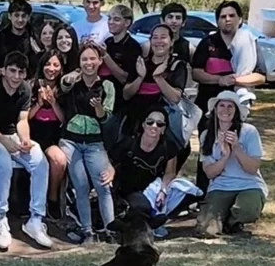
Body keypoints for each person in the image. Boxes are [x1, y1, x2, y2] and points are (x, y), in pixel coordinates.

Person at [0, 51, 53, 250]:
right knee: (4, 165)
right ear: (4, 70)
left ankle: (36, 219)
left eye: (20, 72)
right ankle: (0, 217)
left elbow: (22, 120)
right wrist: (5, 141)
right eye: (12, 71)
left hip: (13, 136)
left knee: (40, 161)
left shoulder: (25, 89)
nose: (16, 76)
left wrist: (26, 140)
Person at [192, 1, 266, 193]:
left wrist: (236, 80)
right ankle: (203, 193)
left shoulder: (249, 43)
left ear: (240, 19)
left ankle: (234, 190)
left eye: (232, 16)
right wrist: (220, 80)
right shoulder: (208, 43)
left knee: (236, 145)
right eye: (223, 16)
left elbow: (260, 76)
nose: (228, 20)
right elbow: (196, 72)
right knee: (208, 147)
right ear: (217, 21)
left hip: (236, 106)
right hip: (209, 106)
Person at [57, 43, 116, 244]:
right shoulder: (73, 81)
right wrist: (70, 77)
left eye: (93, 59)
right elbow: (63, 85)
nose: (89, 63)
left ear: (100, 61)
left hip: (95, 142)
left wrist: (98, 108)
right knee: (80, 187)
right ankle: (88, 232)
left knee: (103, 186)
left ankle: (111, 231)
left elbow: (106, 118)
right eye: (84, 59)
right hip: (71, 140)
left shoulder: (107, 86)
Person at [195, 91, 267, 237]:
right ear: (215, 110)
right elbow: (209, 173)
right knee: (205, 230)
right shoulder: (206, 135)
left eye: (230, 106)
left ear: (236, 111)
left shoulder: (249, 131)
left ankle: (232, 221)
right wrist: (224, 156)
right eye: (221, 105)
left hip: (249, 184)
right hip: (221, 186)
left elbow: (252, 169)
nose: (225, 110)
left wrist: (236, 148)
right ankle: (223, 216)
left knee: (247, 211)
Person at [110, 106, 179, 238]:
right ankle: (146, 225)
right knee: (142, 207)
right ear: (143, 125)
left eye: (159, 124)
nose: (154, 126)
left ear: (163, 129)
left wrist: (163, 190)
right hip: (129, 189)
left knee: (189, 193)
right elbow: (110, 160)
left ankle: (156, 220)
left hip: (154, 188)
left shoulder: (168, 147)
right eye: (150, 122)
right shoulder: (129, 143)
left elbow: (170, 172)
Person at [122, 24, 187, 142]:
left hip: (161, 124)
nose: (159, 41)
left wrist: (158, 78)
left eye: (163, 37)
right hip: (135, 121)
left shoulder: (176, 66)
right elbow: (126, 94)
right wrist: (140, 77)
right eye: (155, 37)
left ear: (171, 41)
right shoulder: (141, 63)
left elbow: (175, 98)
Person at [28, 50, 66, 221]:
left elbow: (63, 119)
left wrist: (53, 103)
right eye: (48, 64)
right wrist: (39, 103)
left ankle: (52, 198)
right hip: (32, 135)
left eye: (56, 65)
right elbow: (25, 117)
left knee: (59, 160)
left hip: (52, 138)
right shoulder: (31, 85)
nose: (51, 68)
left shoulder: (64, 88)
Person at [99, 4, 142, 150]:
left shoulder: (133, 47)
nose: (111, 22)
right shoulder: (107, 43)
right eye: (109, 18)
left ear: (127, 23)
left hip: (120, 105)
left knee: (112, 145)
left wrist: (106, 56)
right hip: (101, 100)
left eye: (116, 19)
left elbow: (125, 78)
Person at [0, 0, 41, 77]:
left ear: (28, 17)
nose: (20, 20)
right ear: (9, 16)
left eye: (23, 16)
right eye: (16, 15)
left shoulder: (36, 38)